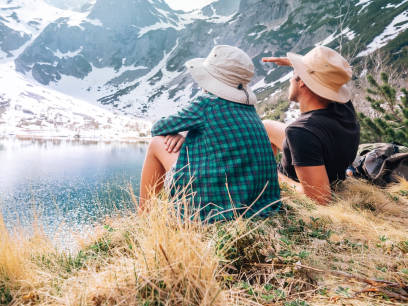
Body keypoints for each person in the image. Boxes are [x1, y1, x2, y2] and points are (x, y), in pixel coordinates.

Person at [140, 45, 281, 221]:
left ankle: (143, 217)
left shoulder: (207, 103)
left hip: (210, 207)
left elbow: (159, 128)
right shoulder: (249, 109)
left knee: (155, 143)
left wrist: (180, 131)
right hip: (259, 205)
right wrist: (185, 133)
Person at [261, 45, 360, 205]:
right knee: (265, 126)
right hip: (331, 159)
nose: (291, 79)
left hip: (313, 180)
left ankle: (265, 185)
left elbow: (320, 198)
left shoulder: (301, 132)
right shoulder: (343, 106)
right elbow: (332, 80)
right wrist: (300, 66)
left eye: (294, 74)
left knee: (264, 166)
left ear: (302, 83)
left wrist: (270, 172)